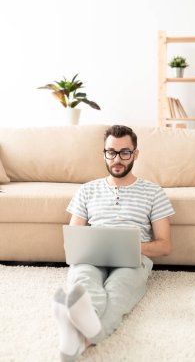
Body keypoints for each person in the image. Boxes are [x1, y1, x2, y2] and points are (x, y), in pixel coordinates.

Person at [52, 124, 175, 361]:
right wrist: (86, 248)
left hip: (134, 258)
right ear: (104, 153)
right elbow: (73, 239)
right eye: (111, 152)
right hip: (92, 255)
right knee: (83, 281)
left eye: (124, 152)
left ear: (135, 154)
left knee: (117, 291)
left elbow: (165, 246)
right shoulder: (87, 190)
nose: (117, 159)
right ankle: (85, 331)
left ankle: (77, 336)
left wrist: (131, 246)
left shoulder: (154, 192)